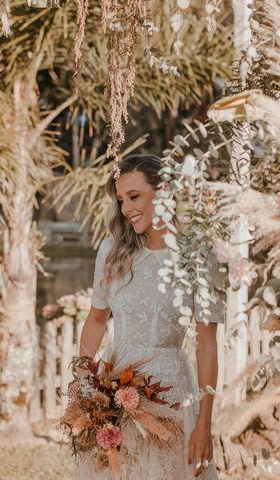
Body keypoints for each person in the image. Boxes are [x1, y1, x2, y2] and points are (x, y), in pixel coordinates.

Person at [73, 154, 225, 479]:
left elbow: (207, 345)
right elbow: (97, 318)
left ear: (164, 191)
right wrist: (83, 382)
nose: (126, 208)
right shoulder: (112, 251)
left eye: (134, 196)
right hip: (114, 386)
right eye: (121, 200)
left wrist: (204, 422)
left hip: (171, 390)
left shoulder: (198, 255)